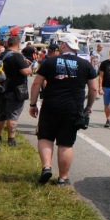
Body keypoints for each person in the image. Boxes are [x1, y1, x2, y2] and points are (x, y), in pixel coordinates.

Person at [28, 33, 97, 185]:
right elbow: (93, 89)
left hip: (51, 105)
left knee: (45, 137)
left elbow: (36, 83)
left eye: (60, 43)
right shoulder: (86, 64)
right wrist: (88, 107)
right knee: (66, 143)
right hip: (73, 108)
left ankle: (47, 167)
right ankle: (63, 178)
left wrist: (33, 104)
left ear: (64, 45)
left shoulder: (49, 61)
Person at [0, 35, 32, 146]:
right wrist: (29, 67)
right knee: (12, 115)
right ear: (18, 44)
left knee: (0, 115)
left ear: (7, 44)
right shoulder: (17, 56)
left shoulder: (2, 55)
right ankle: (11, 140)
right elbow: (26, 71)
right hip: (15, 90)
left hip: (1, 89)